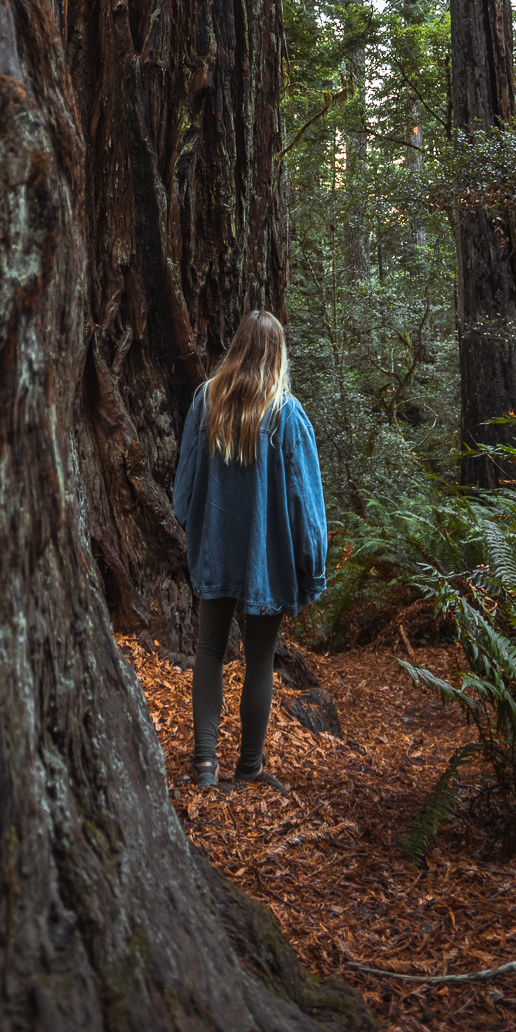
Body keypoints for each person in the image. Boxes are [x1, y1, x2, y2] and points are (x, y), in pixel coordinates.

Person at [172, 310, 327, 790]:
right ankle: (249, 767)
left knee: (210, 650)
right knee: (261, 658)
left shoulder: (206, 402)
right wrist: (312, 560)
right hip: (268, 557)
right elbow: (305, 501)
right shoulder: (286, 414)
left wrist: (196, 526)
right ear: (277, 354)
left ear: (237, 347)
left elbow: (184, 488)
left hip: (216, 545)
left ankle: (204, 766)